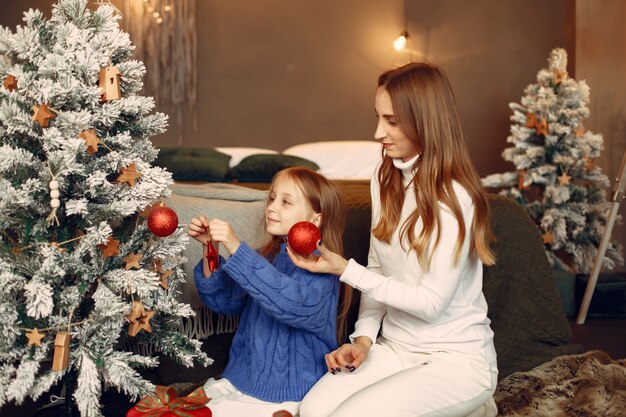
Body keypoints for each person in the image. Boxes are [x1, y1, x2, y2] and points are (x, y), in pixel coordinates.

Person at [289, 62, 499, 417]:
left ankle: (474, 402)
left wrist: (343, 269)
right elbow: (377, 268)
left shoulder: (456, 197)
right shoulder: (384, 177)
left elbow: (430, 303)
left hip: (455, 361)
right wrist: (364, 339)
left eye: (391, 120)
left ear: (423, 121)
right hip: (396, 349)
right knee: (311, 412)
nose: (377, 132)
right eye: (378, 117)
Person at [188, 166, 352, 417]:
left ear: (315, 220)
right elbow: (222, 302)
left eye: (286, 202)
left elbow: (291, 304)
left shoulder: (324, 268)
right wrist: (210, 249)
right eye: (272, 198)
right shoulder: (264, 257)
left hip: (291, 393)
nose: (271, 207)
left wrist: (236, 247)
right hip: (240, 380)